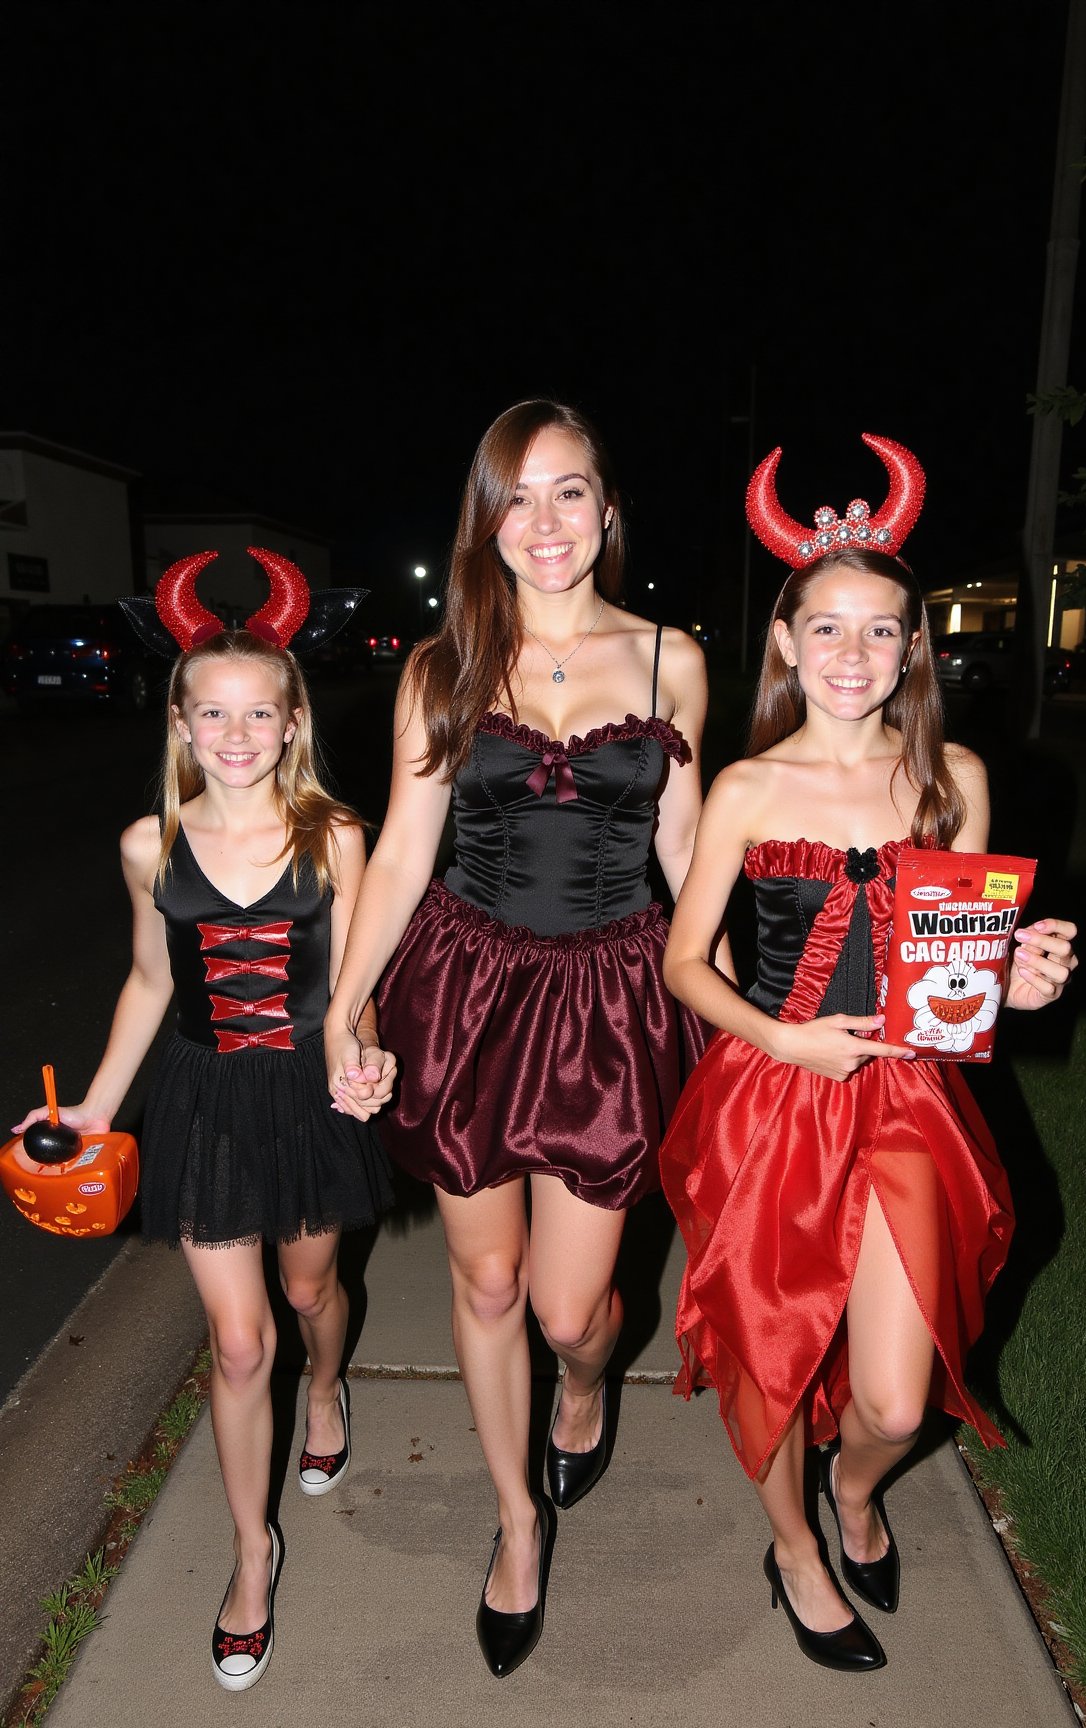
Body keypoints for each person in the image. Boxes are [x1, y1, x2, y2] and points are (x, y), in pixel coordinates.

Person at [658, 435, 1078, 1674]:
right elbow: (687, 964)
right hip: (770, 1094)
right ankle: (793, 1547)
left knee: (897, 1399)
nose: (852, 656)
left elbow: (959, 962)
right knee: (771, 1355)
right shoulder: (743, 788)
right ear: (785, 642)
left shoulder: (953, 778)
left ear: (914, 648)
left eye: (880, 632)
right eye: (825, 630)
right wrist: (782, 1032)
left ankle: (854, 1490)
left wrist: (1019, 972)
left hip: (908, 1099)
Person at [324, 398, 717, 1678]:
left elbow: (691, 855)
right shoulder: (443, 669)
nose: (543, 523)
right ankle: (515, 1521)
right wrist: (346, 1002)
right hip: (470, 994)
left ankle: (590, 1390)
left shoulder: (671, 659)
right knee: (485, 1284)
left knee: (568, 1312)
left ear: (609, 510)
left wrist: (767, 982)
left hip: (608, 1002)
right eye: (518, 497)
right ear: (484, 522)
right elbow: (400, 855)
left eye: (569, 493)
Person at [12, 549, 395, 1693]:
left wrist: (364, 1057)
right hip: (203, 1097)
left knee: (311, 1294)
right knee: (236, 1341)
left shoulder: (335, 835)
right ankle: (251, 1554)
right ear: (181, 722)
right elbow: (147, 981)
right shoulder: (151, 845)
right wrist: (92, 1104)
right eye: (213, 712)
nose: (237, 733)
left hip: (308, 1089)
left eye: (258, 713)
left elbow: (355, 983)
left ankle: (326, 1384)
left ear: (291, 723)